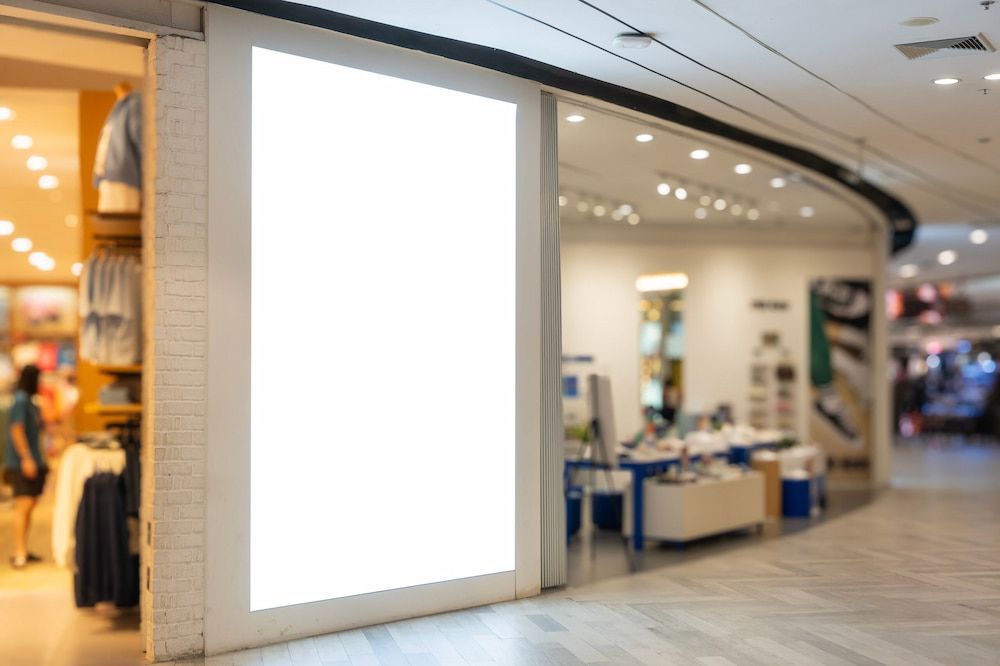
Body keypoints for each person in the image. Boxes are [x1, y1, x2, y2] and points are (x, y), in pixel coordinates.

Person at [4, 365, 47, 569]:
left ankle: (23, 548)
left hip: (32, 460)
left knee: (29, 505)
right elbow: (17, 429)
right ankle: (19, 551)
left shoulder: (29, 401)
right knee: (23, 505)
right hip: (21, 462)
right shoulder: (21, 400)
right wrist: (26, 457)